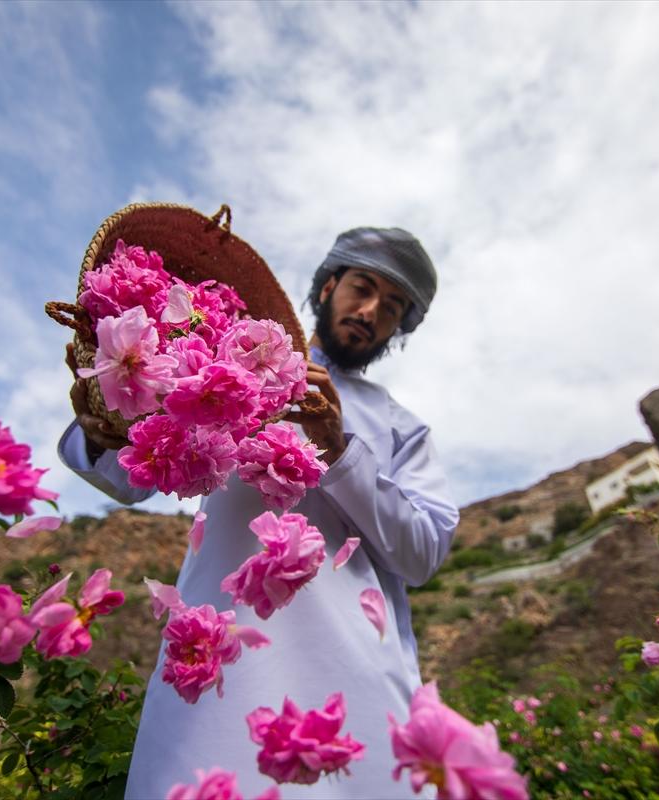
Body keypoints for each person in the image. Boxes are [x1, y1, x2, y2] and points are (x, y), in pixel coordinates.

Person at [59, 227, 460, 799]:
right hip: (215, 649)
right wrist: (106, 428)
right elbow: (131, 478)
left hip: (353, 669)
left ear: (399, 327)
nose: (370, 311)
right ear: (326, 289)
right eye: (362, 288)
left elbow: (422, 555)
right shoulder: (229, 364)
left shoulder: (401, 427)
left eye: (392, 306)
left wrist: (339, 448)